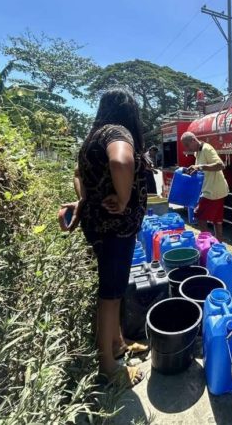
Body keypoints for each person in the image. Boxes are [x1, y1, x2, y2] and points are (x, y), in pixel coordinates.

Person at [61, 89, 148, 388]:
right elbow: (122, 162)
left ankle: (118, 344)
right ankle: (109, 368)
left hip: (100, 228)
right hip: (115, 229)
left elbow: (77, 174)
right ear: (129, 110)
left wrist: (84, 199)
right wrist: (124, 199)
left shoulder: (93, 137)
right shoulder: (117, 131)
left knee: (114, 288)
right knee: (109, 297)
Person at [180, 131, 228, 241]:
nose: (187, 148)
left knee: (199, 216)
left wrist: (200, 167)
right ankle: (218, 244)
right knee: (217, 220)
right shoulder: (197, 152)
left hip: (213, 191)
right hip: (214, 189)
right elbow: (202, 170)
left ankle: (206, 242)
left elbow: (221, 165)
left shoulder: (207, 149)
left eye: (187, 145)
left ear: (193, 140)